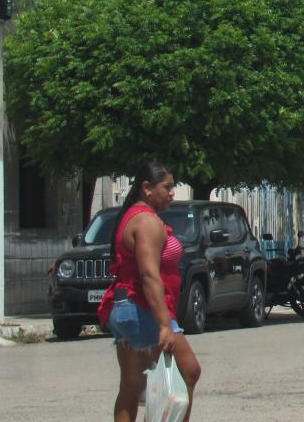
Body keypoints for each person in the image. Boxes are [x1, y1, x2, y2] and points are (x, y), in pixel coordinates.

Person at [96, 162, 201, 422]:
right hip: (143, 308)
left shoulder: (133, 216)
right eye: (167, 187)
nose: (172, 193)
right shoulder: (147, 222)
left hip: (126, 307)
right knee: (188, 372)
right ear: (147, 188)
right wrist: (164, 325)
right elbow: (148, 274)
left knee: (131, 386)